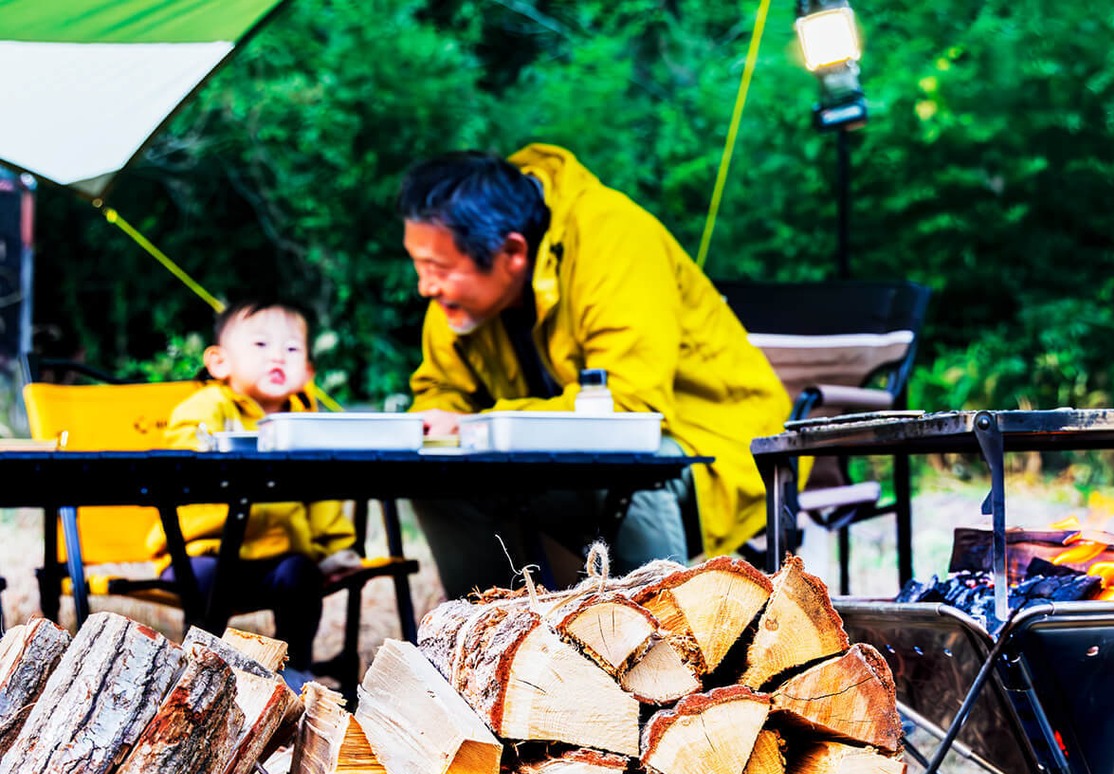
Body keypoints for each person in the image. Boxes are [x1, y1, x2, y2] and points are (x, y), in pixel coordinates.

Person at [398, 145, 792, 598]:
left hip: (715, 443)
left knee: (628, 470)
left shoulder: (616, 238)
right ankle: (491, 627)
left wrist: (477, 425)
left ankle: (661, 630)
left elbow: (629, 410)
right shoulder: (457, 296)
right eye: (418, 264)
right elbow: (440, 389)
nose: (424, 286)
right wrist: (438, 421)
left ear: (513, 252)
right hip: (555, 456)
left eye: (437, 268)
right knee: (438, 478)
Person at [150, 299, 360, 689]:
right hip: (203, 552)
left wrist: (335, 548)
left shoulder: (304, 425)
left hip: (277, 560)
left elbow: (321, 495)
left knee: (301, 575)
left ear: (308, 371)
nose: (277, 357)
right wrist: (214, 447)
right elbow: (184, 451)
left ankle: (295, 667)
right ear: (220, 362)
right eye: (261, 345)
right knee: (206, 582)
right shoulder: (208, 406)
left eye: (292, 349)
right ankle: (204, 670)